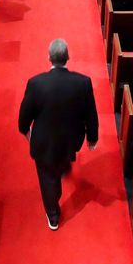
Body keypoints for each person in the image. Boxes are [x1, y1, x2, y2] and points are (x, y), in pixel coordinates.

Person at [17, 39, 98, 230]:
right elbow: (90, 113)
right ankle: (61, 168)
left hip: (44, 142)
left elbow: (25, 115)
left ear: (49, 58)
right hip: (71, 140)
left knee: (48, 179)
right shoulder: (83, 82)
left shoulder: (36, 83)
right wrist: (92, 137)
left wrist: (24, 131)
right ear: (67, 58)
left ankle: (53, 215)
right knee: (60, 162)